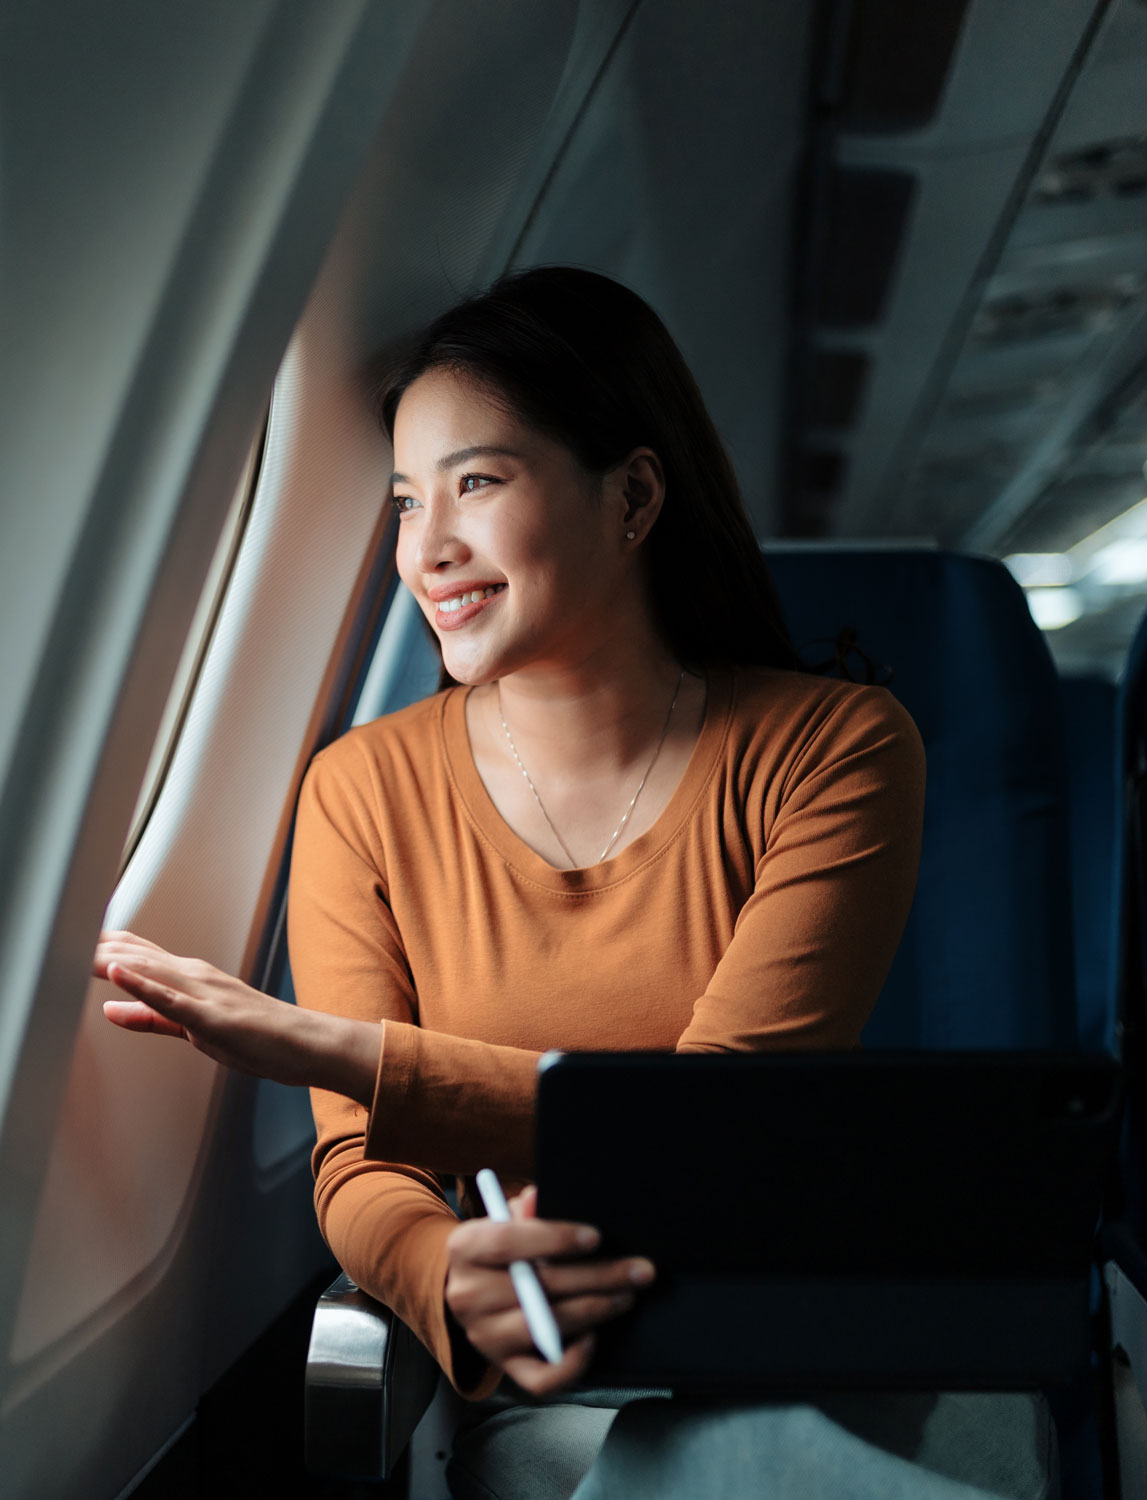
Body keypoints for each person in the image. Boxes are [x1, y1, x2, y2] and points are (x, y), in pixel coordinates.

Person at [93, 267, 1055, 1499]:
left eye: (476, 483)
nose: (426, 549)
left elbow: (716, 1127)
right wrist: (448, 1273)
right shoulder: (361, 790)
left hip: (811, 1343)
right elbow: (360, 1170)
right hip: (571, 1386)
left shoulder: (838, 748)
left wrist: (330, 1048)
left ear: (635, 496)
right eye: (402, 500)